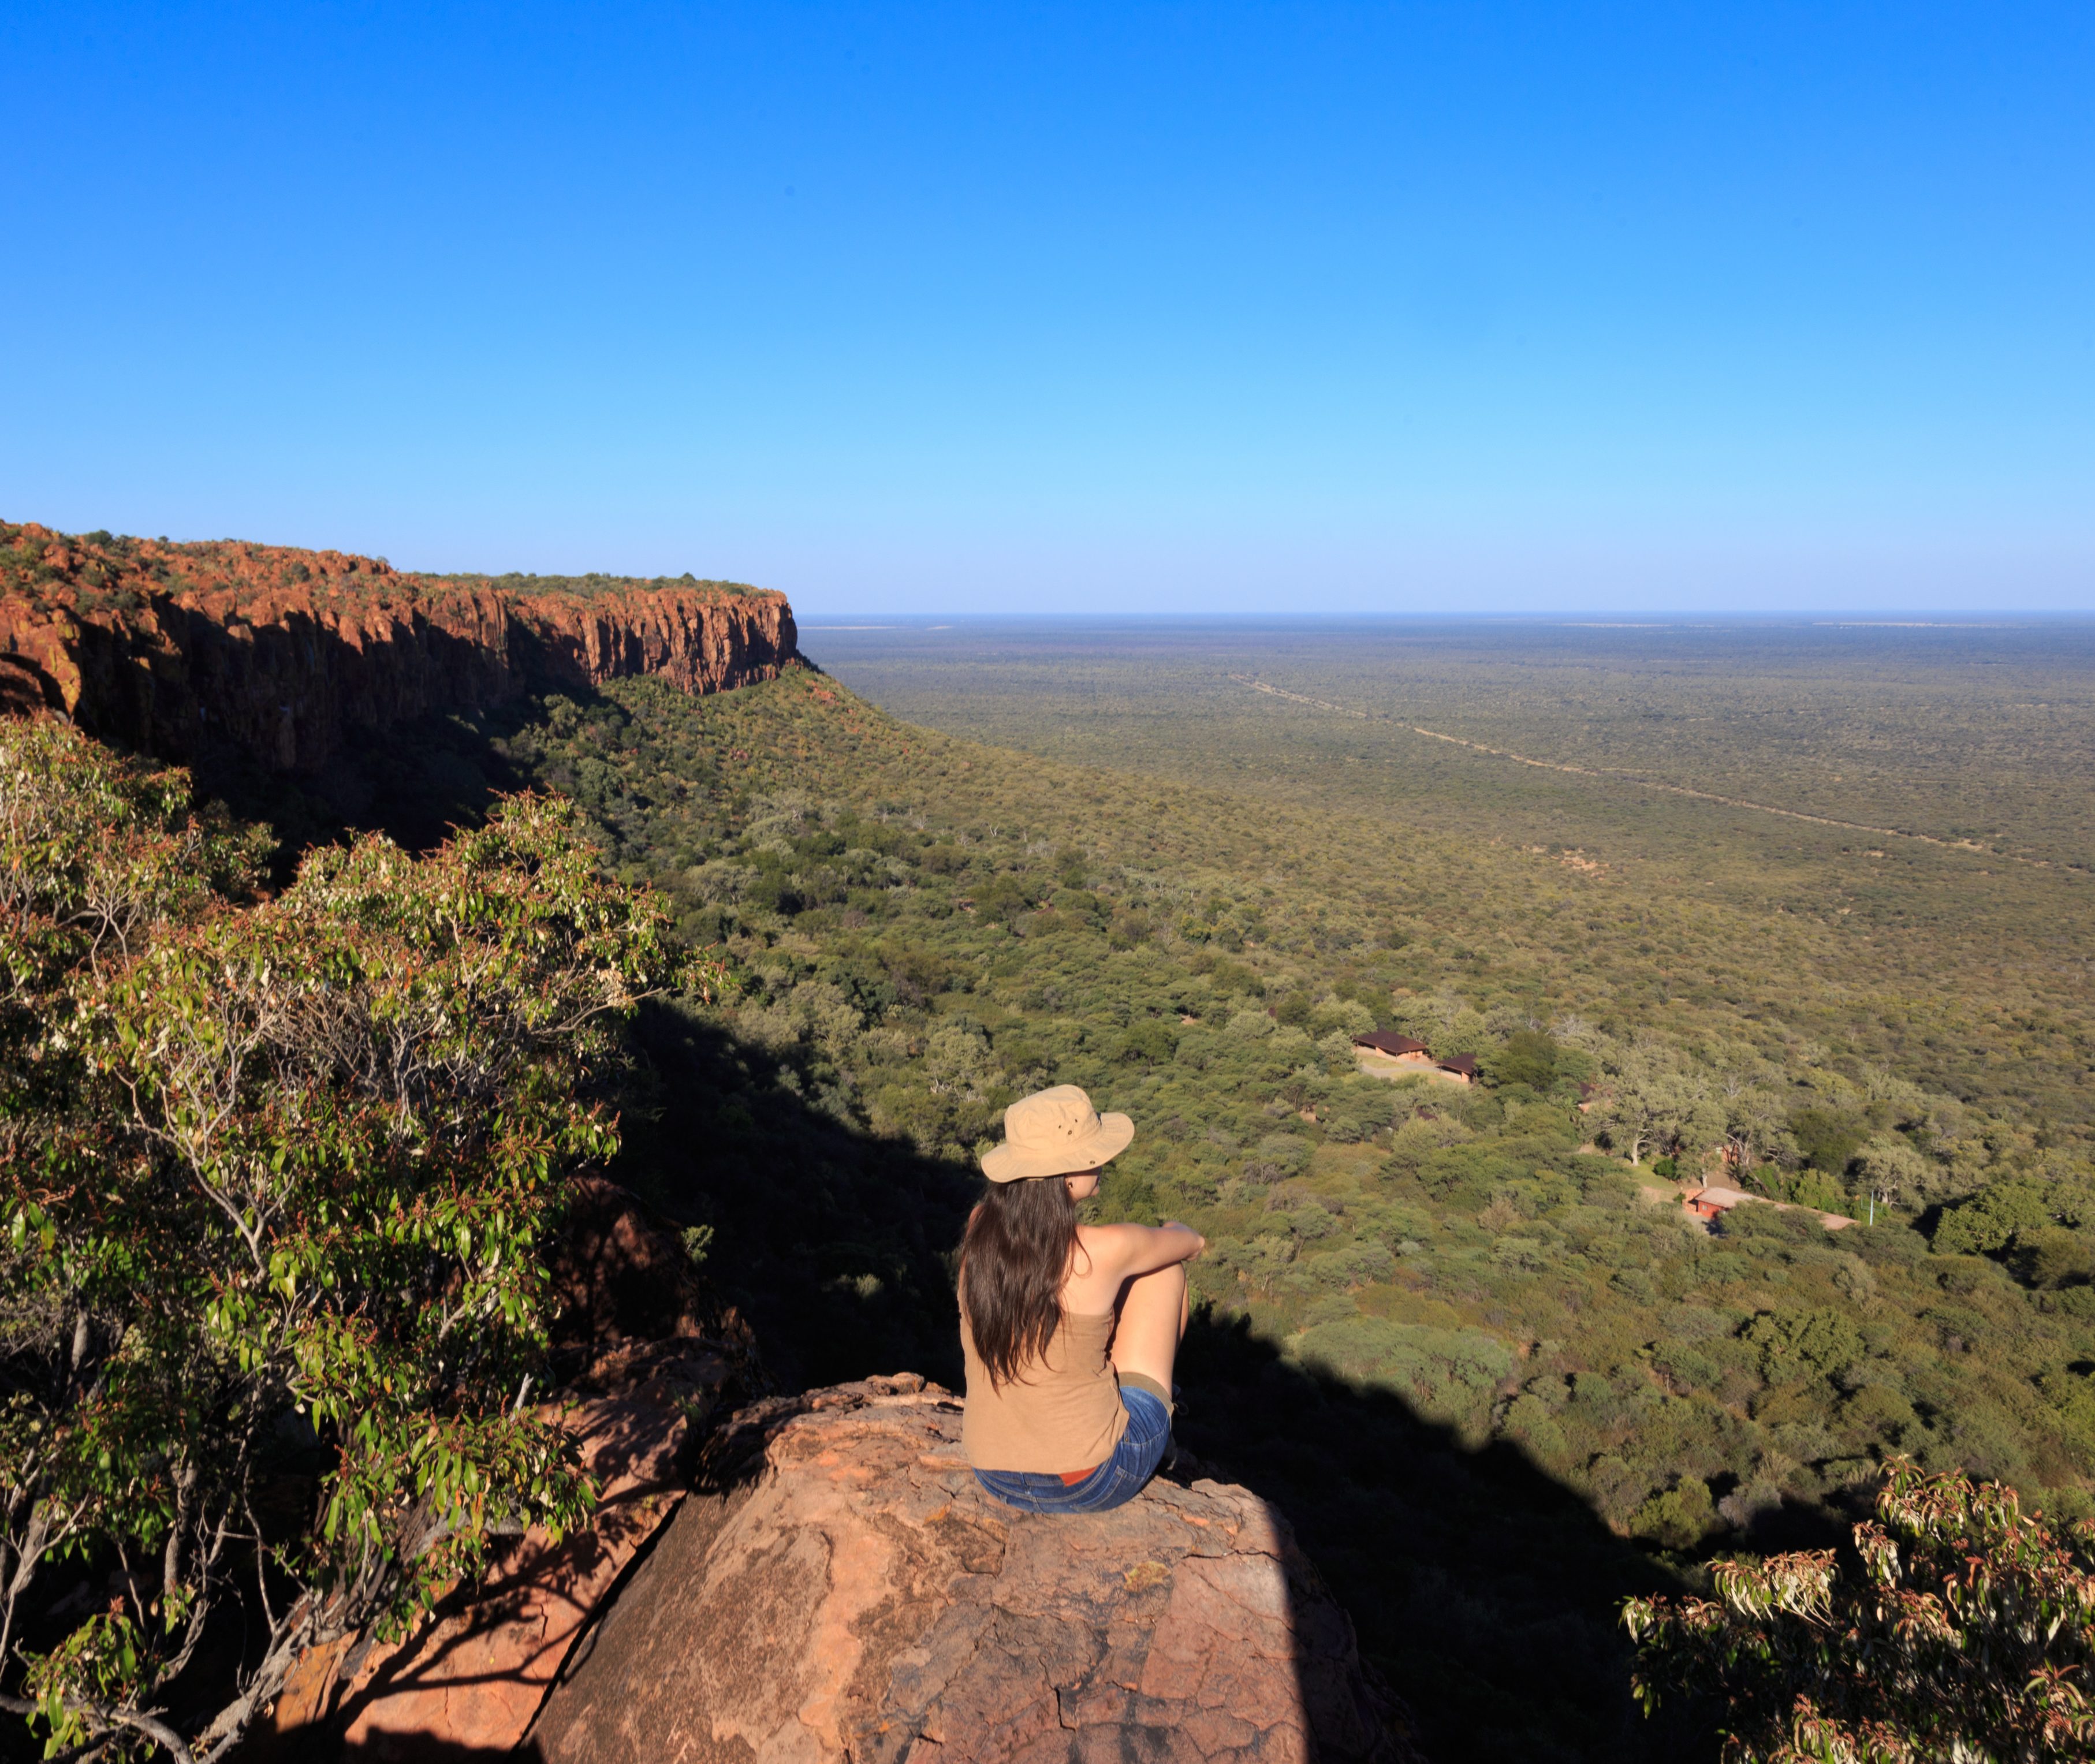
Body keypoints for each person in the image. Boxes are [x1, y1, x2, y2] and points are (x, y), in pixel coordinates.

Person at [958, 1083, 1206, 1513]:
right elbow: (1190, 1241)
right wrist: (1172, 1226)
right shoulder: (1101, 1249)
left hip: (992, 1474)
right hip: (1089, 1479)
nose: (1104, 1163)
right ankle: (1159, 1420)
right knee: (1165, 1270)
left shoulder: (979, 1228)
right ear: (1068, 1174)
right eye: (1095, 1155)